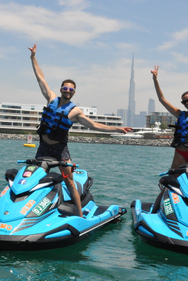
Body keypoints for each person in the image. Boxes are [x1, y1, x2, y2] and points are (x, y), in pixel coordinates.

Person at [28, 44, 132, 217]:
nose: (67, 91)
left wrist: (118, 129)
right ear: (61, 89)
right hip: (43, 148)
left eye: (71, 89)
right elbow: (40, 78)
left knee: (69, 181)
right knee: (34, 179)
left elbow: (94, 125)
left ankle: (80, 214)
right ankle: (29, 210)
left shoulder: (75, 111)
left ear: (74, 92)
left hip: (60, 150)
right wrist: (33, 58)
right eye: (65, 88)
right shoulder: (51, 98)